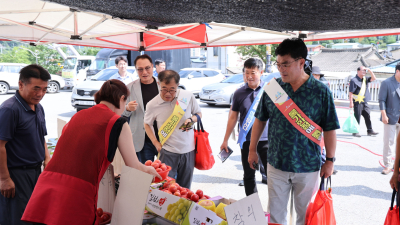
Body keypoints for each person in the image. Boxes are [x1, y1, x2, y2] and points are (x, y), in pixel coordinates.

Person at [21, 79, 161, 225]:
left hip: (46, 186)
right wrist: (148, 169)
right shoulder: (118, 122)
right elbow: (134, 165)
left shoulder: (77, 116)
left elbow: (77, 151)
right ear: (121, 99)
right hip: (75, 193)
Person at [248, 38, 340, 225]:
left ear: (301, 62)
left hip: (308, 166)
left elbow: (330, 129)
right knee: (275, 216)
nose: (281, 69)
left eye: (286, 64)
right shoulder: (274, 88)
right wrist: (252, 149)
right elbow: (259, 119)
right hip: (276, 163)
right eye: (279, 64)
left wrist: (330, 160)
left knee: (305, 217)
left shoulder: (320, 92)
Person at [0, 64, 51, 225]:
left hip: (36, 172)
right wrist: (4, 178)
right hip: (16, 175)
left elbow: (41, 136)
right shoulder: (10, 109)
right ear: (21, 84)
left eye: (44, 89)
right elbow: (0, 146)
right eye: (36, 88)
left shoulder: (39, 107)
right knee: (19, 219)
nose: (40, 94)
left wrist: (47, 160)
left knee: (36, 217)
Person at [144, 70, 202, 189]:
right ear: (158, 84)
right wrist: (156, 143)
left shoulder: (186, 97)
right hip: (167, 151)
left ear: (177, 85)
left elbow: (199, 114)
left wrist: (192, 119)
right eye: (164, 89)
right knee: (166, 188)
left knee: (185, 189)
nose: (168, 93)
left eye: (172, 89)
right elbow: (147, 124)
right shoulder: (152, 104)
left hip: (188, 150)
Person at [220, 58, 268, 196]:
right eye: (246, 73)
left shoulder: (270, 90)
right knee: (248, 175)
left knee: (273, 177)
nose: (249, 76)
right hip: (246, 140)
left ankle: (274, 211)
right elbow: (233, 117)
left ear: (261, 72)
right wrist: (225, 140)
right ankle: (253, 209)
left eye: (253, 73)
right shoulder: (239, 93)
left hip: (267, 141)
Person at [122, 55, 160, 163]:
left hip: (163, 136)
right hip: (141, 139)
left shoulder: (162, 85)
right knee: (144, 175)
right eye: (140, 69)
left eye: (147, 68)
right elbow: (120, 112)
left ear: (153, 67)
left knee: (166, 173)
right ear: (136, 70)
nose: (144, 72)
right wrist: (128, 108)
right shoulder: (129, 88)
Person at [378, 64, 400, 175]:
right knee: (389, 142)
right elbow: (381, 100)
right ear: (397, 71)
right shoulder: (386, 83)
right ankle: (388, 165)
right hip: (390, 116)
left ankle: (398, 166)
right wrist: (384, 115)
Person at [349, 66, 379, 137]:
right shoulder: (354, 80)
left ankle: (370, 130)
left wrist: (370, 71)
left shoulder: (365, 79)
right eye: (363, 71)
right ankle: (355, 131)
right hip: (357, 102)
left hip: (364, 102)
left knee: (367, 115)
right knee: (357, 117)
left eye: (365, 71)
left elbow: (374, 78)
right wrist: (351, 102)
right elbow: (351, 92)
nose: (364, 72)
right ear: (358, 71)